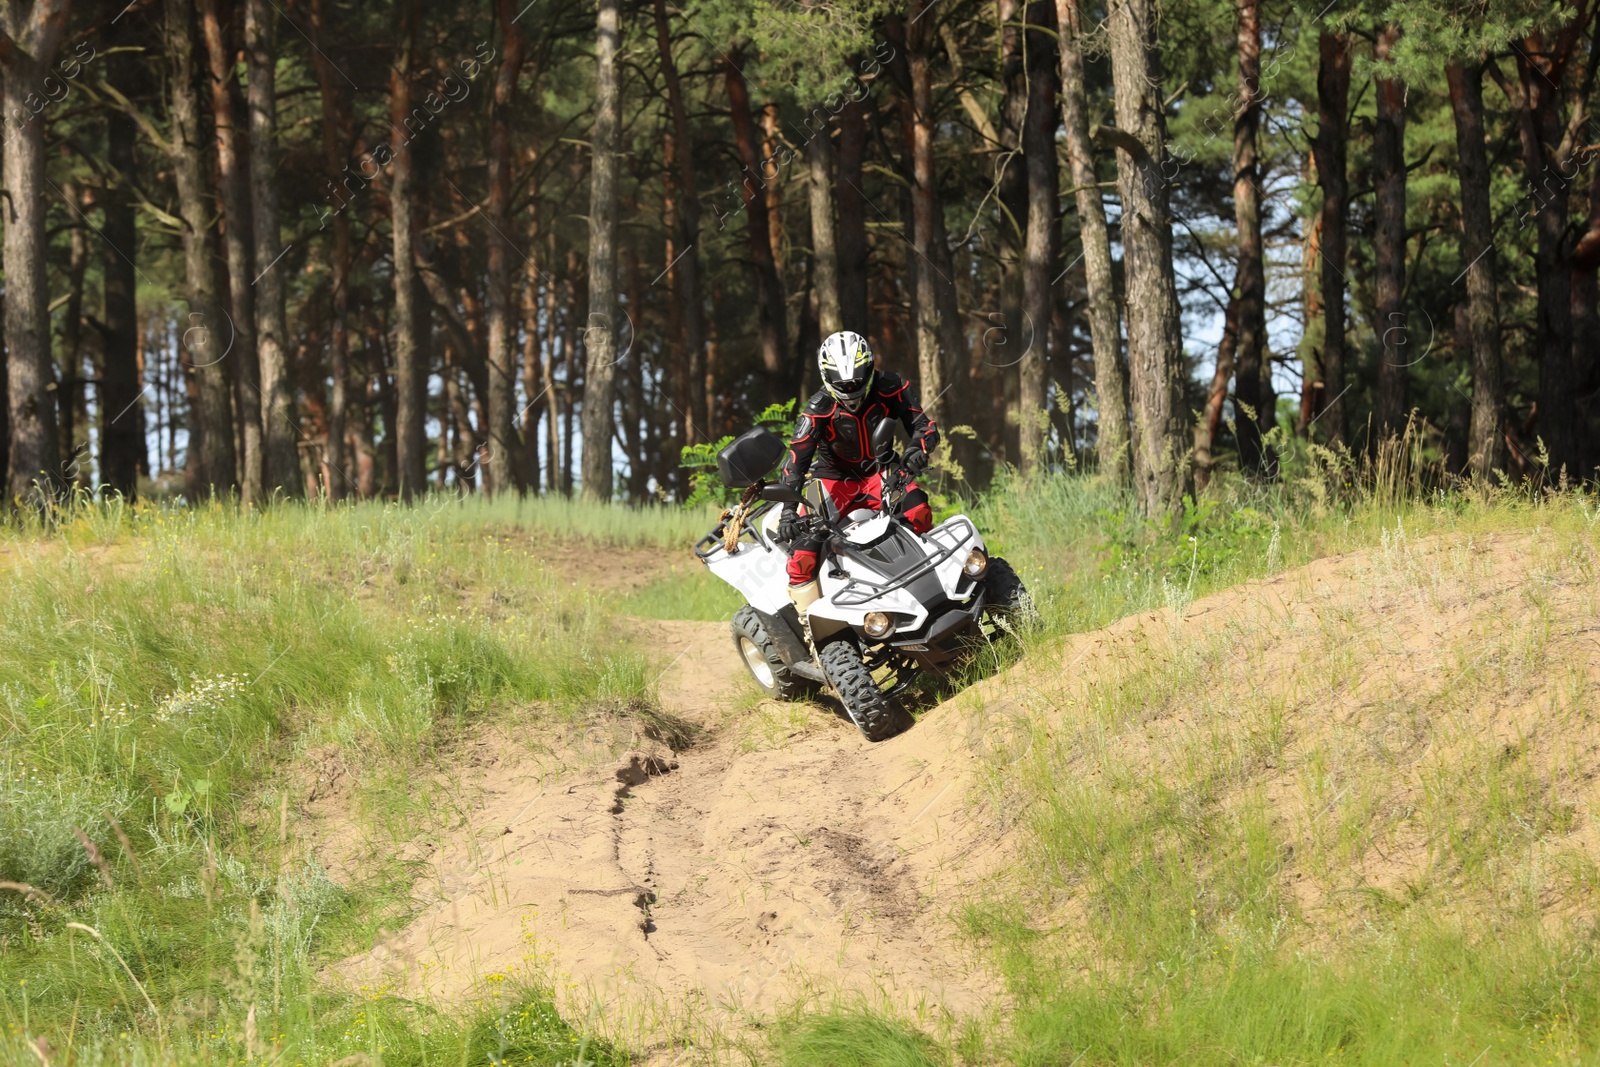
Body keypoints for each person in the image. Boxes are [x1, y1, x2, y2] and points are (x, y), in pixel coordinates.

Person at [777, 331, 939, 609]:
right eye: (843, 383)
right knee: (801, 556)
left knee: (919, 513)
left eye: (858, 380)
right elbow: (795, 462)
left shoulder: (893, 385)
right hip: (833, 482)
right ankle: (808, 625)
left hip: (881, 471)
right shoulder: (816, 409)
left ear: (870, 367)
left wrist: (915, 453)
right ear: (826, 377)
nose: (851, 389)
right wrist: (789, 511)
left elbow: (925, 427)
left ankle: (931, 589)